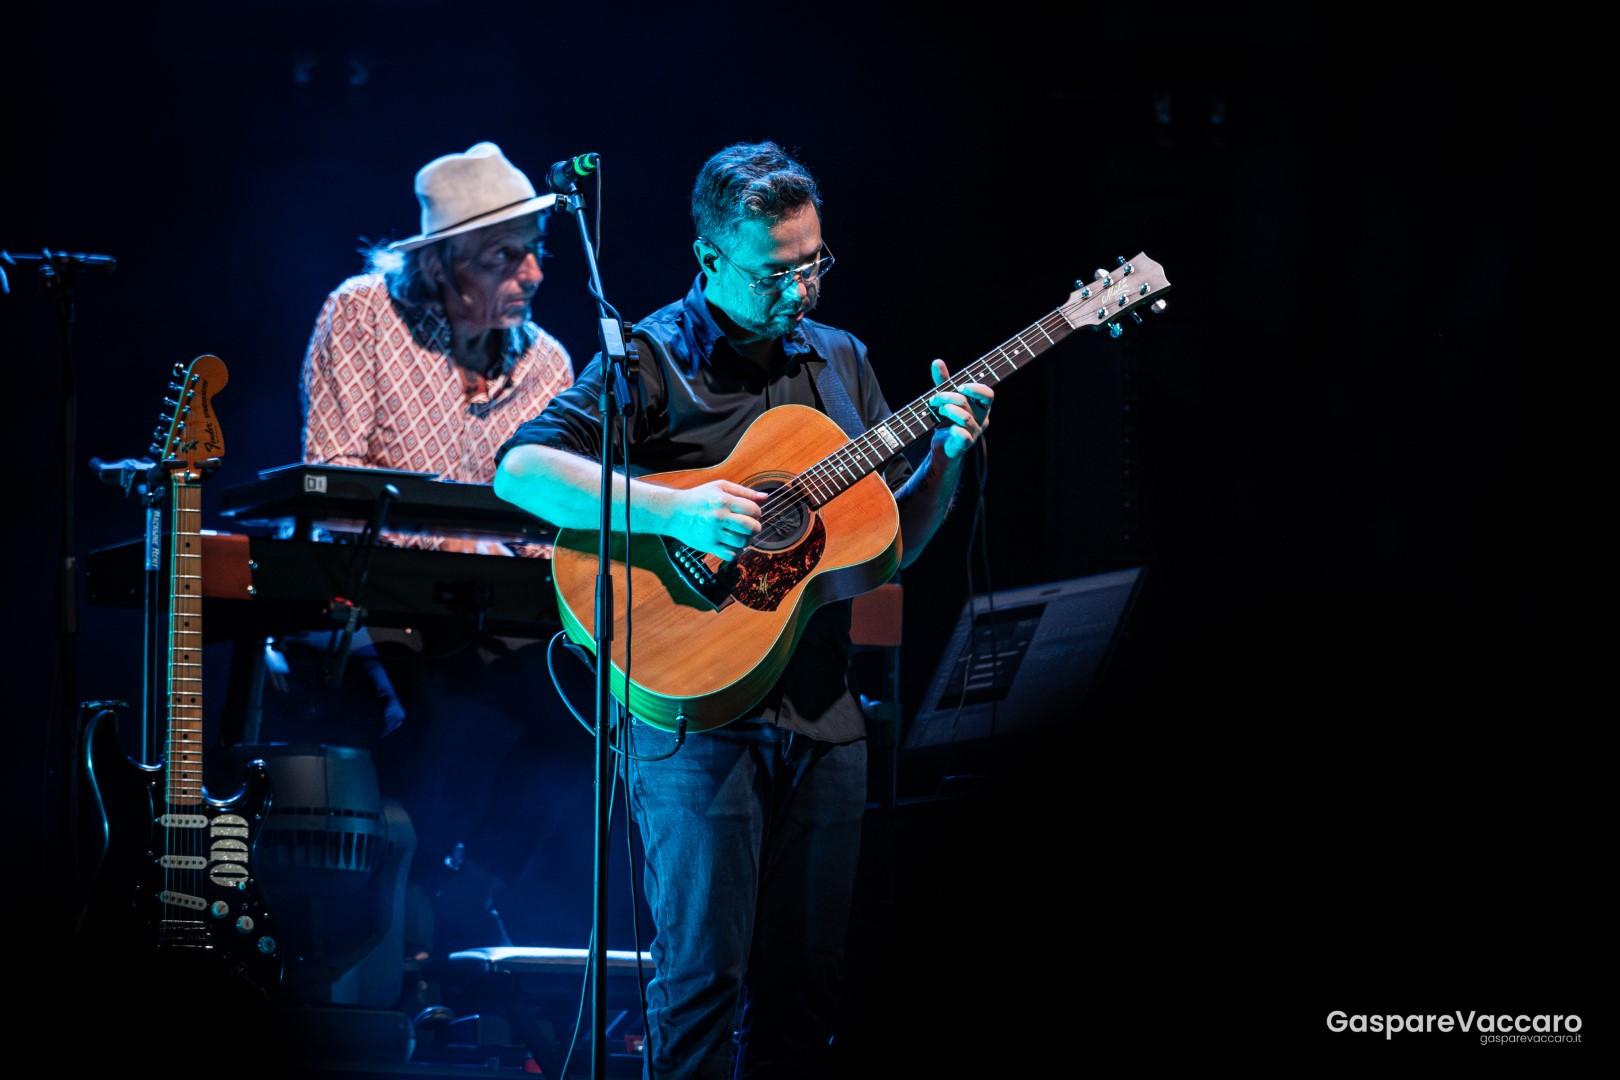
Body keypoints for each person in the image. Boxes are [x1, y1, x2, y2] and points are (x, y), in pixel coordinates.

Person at [492, 141, 992, 1079]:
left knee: (807, 990)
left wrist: (944, 464)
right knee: (699, 986)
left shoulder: (841, 360)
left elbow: (882, 550)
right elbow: (519, 471)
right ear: (709, 257)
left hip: (824, 716)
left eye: (814, 262)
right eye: (775, 273)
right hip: (695, 717)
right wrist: (674, 510)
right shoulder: (650, 358)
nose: (801, 289)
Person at [278, 141, 578, 961]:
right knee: (438, 716)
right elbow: (333, 480)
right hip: (370, 599)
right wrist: (442, 543)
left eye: (533, 252)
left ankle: (467, 891)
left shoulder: (547, 362)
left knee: (593, 708)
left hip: (491, 612)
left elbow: (551, 518)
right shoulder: (362, 315)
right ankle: (391, 925)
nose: (531, 273)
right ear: (442, 263)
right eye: (503, 257)